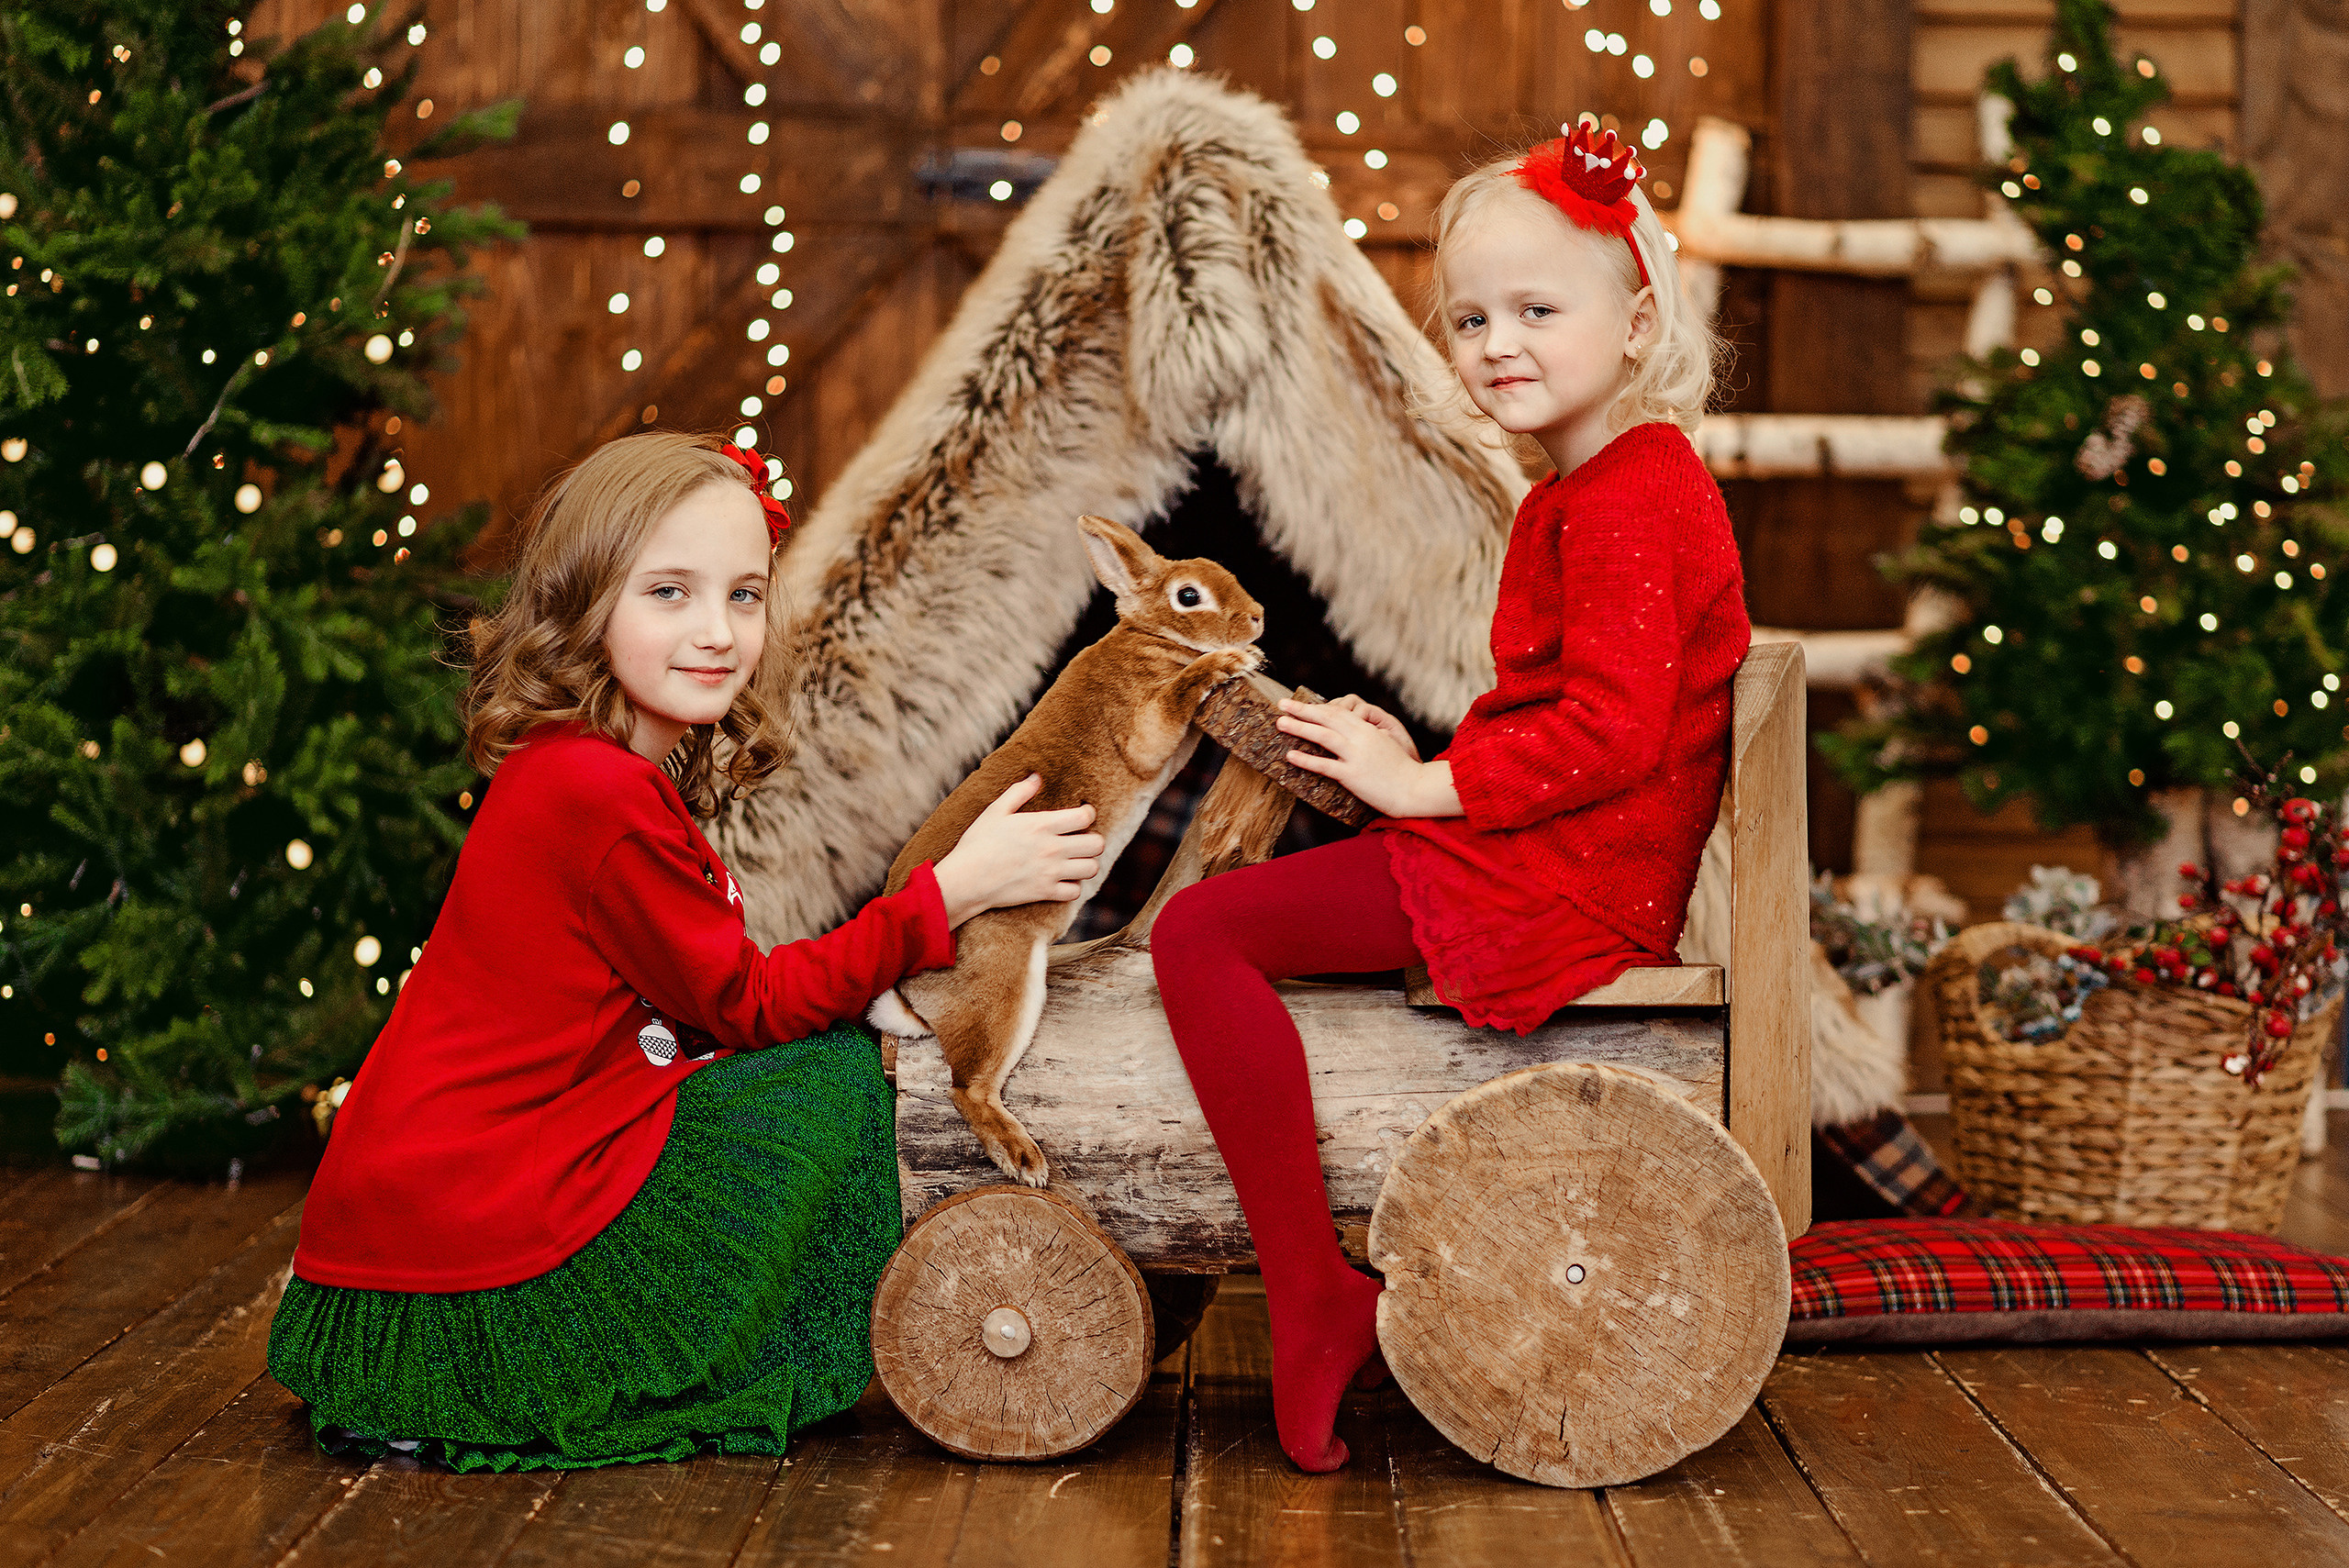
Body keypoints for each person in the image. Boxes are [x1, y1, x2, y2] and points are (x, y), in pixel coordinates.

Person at [267, 432, 1105, 1470]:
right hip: (472, 1229)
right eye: (670, 592)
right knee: (829, 1083)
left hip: (427, 1199)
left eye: (744, 595)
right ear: (586, 602)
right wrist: (950, 892)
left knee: (799, 1062)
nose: (718, 632)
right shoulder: (598, 795)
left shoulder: (579, 761)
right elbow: (741, 1005)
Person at [1150, 121, 1752, 1473]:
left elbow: (1607, 731)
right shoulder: (1583, 489)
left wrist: (1422, 785)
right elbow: (1568, 709)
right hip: (1563, 848)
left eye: (1540, 308)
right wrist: (1410, 749)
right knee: (1261, 896)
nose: (1498, 343)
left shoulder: (1632, 494)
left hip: (1573, 881)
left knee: (1202, 934)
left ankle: (1314, 1295)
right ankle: (1319, 1274)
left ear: (1639, 319)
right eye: (1472, 316)